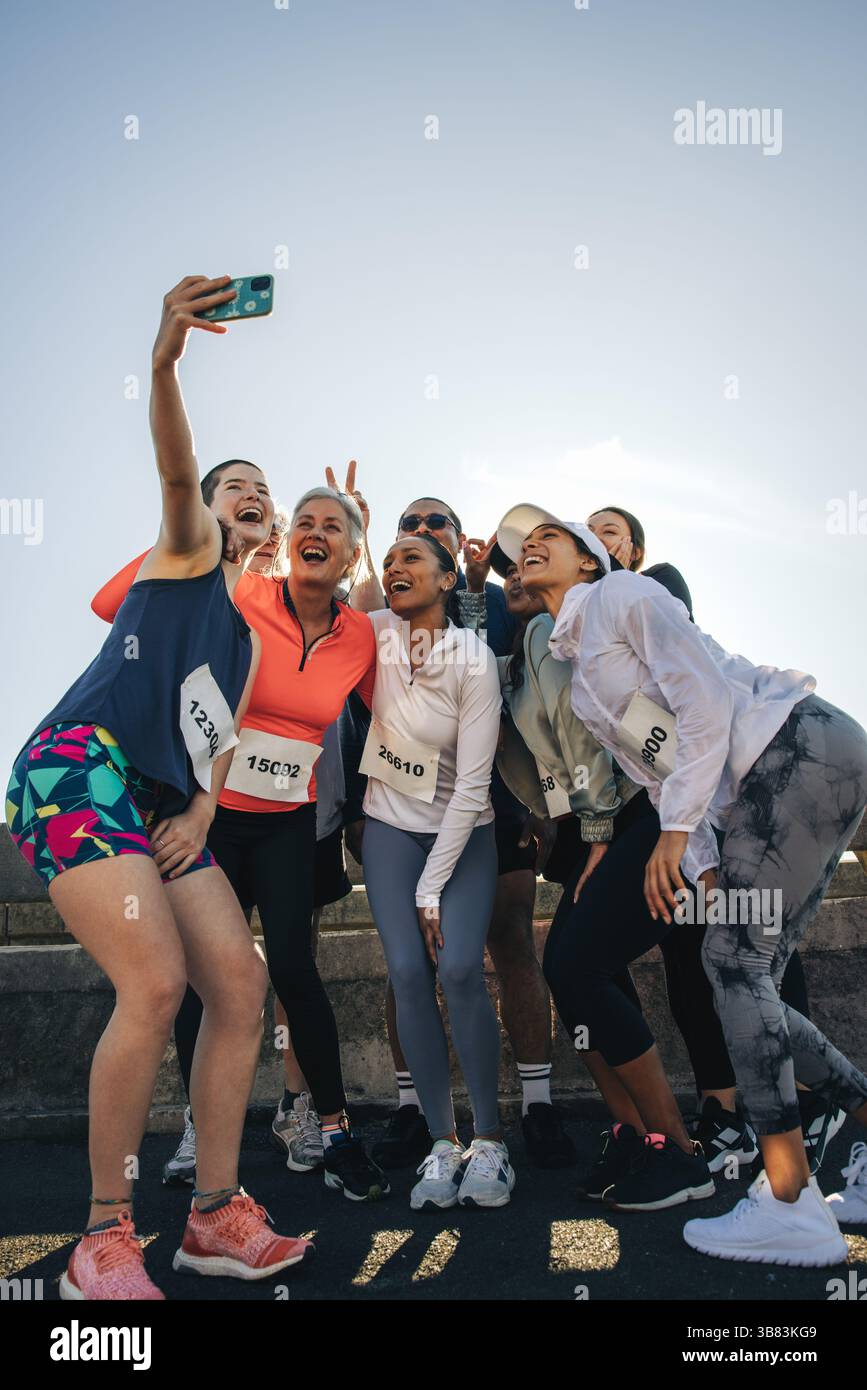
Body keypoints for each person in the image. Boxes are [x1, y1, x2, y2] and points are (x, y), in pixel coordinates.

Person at [5, 275, 313, 1298]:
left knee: (239, 979)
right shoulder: (183, 551)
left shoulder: (250, 642)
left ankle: (216, 1215)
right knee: (156, 983)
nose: (251, 494)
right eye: (238, 485)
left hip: (151, 799)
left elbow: (214, 747)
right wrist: (166, 357)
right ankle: (103, 1237)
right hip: (71, 764)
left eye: (262, 488)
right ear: (212, 508)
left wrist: (202, 808)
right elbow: (176, 464)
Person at [500, 502, 867, 1265]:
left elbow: (702, 701)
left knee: (733, 968)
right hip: (782, 776)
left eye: (550, 536)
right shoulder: (579, 683)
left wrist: (673, 837)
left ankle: (790, 1201)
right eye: (521, 545)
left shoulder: (623, 598)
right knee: (746, 973)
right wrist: (697, 859)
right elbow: (665, 769)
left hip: (795, 750)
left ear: (589, 559)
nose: (531, 545)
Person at [89, 480, 388, 1202]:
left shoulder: (361, 637)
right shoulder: (245, 594)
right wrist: (201, 534)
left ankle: (333, 1130)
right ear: (287, 543)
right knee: (204, 981)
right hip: (208, 816)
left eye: (333, 527)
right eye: (305, 522)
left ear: (349, 553)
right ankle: (200, 1127)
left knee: (293, 969)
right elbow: (112, 604)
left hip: (290, 823)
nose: (315, 532)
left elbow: (401, 706)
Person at [586, 505, 845, 1176]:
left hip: (732, 790)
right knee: (700, 963)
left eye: (607, 530)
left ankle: (801, 1132)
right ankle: (738, 1114)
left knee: (750, 961)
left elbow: (694, 714)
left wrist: (679, 833)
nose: (595, 537)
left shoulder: (644, 590)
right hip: (669, 810)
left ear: (630, 552)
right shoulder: (575, 640)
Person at [493, 548, 716, 1210]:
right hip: (582, 829)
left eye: (526, 557)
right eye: (504, 564)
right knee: (580, 976)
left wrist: (605, 830)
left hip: (626, 816)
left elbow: (608, 736)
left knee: (578, 966)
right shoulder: (525, 649)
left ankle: (673, 1145)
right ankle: (635, 1132)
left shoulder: (569, 632)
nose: (514, 569)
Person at [368, 500, 574, 1171]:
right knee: (406, 965)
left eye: (435, 525)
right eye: (408, 526)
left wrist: (551, 805)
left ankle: (535, 1105)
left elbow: (541, 698)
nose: (420, 532)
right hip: (397, 804)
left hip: (498, 800)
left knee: (509, 937)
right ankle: (415, 1112)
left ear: (456, 548)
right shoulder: (388, 607)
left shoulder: (502, 595)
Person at [361, 532, 514, 1208]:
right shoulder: (369, 635)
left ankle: (490, 1142)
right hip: (390, 827)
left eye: (411, 559)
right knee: (405, 973)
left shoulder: (473, 659)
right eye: (388, 560)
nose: (396, 568)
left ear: (448, 580)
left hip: (463, 828)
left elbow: (475, 786)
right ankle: (440, 1142)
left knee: (457, 969)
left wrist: (431, 889)